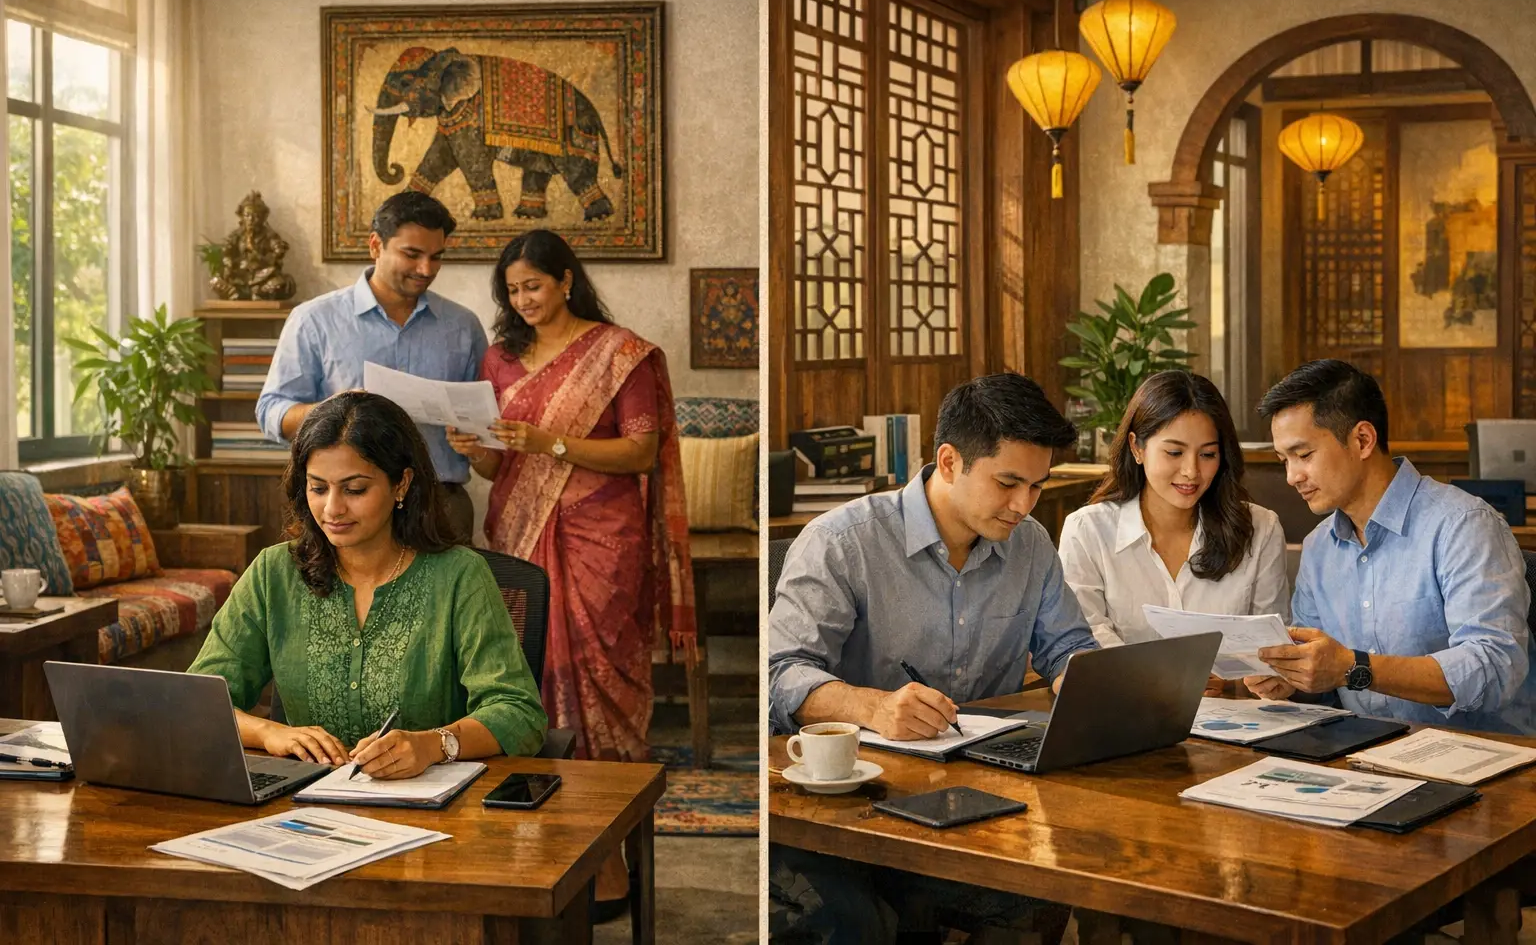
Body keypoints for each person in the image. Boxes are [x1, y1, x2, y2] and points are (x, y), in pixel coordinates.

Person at [767, 373, 1096, 944]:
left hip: (982, 795)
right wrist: (872, 707)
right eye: (1008, 483)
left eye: (1037, 486)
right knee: (854, 924)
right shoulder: (845, 542)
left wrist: (1078, 681)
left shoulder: (1032, 544)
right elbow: (778, 673)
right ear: (948, 461)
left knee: (1053, 883)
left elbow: (1067, 646)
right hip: (854, 801)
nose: (1024, 506)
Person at [445, 229, 693, 918]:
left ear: (565, 280)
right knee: (527, 677)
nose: (523, 300)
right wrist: (473, 450)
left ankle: (610, 864)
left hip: (600, 541)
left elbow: (641, 452)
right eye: (512, 290)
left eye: (533, 285)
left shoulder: (620, 354)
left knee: (599, 678)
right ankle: (541, 850)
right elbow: (501, 465)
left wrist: (552, 442)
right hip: (519, 533)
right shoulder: (500, 358)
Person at [189, 392, 547, 778]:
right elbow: (196, 701)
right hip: (302, 808)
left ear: (401, 484)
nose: (333, 509)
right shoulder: (274, 572)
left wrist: (434, 744)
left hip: (438, 815)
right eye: (318, 488)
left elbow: (519, 712)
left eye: (355, 489)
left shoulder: (459, 576)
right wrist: (269, 732)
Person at [1248, 359, 1535, 735]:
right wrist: (1294, 679)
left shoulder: (1462, 524)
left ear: (1363, 440)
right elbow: (1326, 680)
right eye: (1283, 460)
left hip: (1486, 761)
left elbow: (1494, 667)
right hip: (1365, 754)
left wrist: (1355, 667)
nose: (1291, 476)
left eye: (1303, 455)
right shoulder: (1320, 547)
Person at [256, 191, 487, 544]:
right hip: (343, 508)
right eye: (412, 254)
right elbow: (270, 412)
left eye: (436, 257)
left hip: (441, 504)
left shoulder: (462, 326)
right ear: (376, 245)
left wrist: (475, 436)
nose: (426, 269)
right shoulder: (314, 320)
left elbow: (486, 421)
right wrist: (333, 410)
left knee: (449, 601)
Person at [1058, 370, 1288, 694]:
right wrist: (1161, 677)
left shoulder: (1261, 529)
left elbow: (1273, 653)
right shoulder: (1088, 531)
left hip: (1235, 726)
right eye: (1174, 452)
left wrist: (1235, 682)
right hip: (1129, 715)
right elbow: (1084, 643)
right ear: (1137, 448)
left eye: (1208, 454)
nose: (1191, 471)